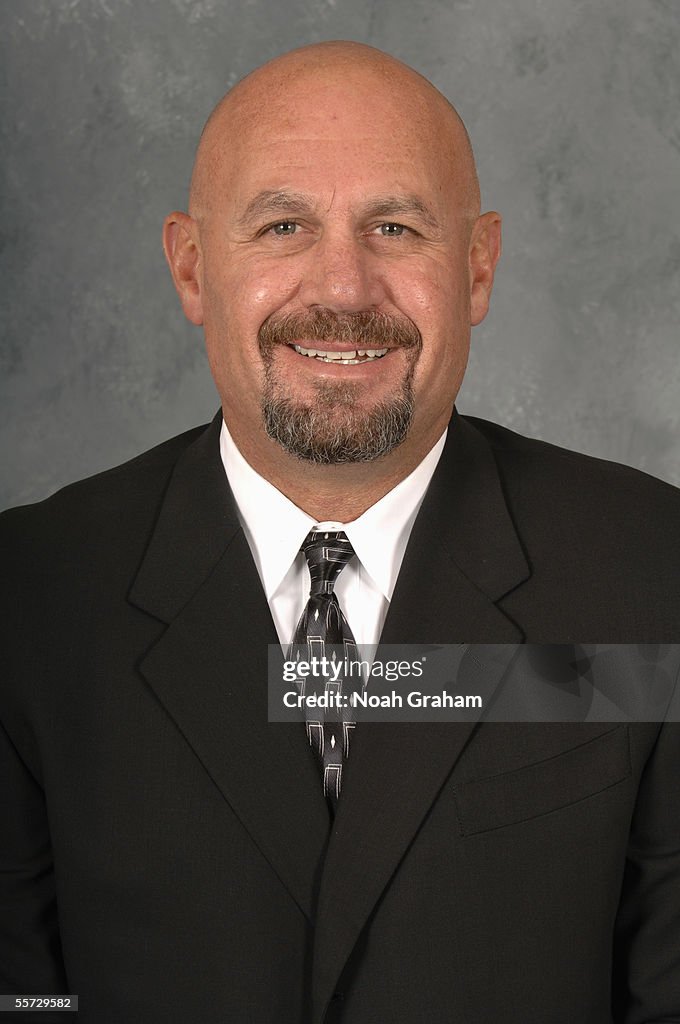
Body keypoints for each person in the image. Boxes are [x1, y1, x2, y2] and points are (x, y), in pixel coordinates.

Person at [1, 40, 679, 1024]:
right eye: (282, 225)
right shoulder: (27, 599)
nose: (345, 288)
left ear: (477, 266)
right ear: (193, 268)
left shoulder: (649, 572)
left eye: (396, 227)